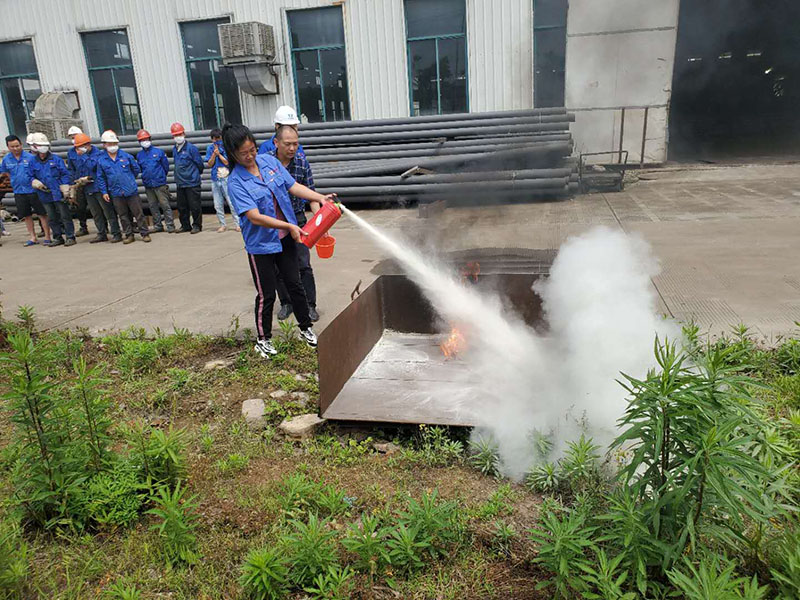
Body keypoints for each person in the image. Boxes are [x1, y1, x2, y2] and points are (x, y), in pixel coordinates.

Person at [223, 123, 335, 358]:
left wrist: (320, 198)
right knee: (267, 294)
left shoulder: (268, 162)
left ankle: (306, 329)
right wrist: (289, 225)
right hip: (261, 245)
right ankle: (264, 339)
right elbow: (254, 217)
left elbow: (293, 186)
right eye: (244, 153)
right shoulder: (235, 182)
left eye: (252, 149)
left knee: (295, 284)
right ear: (233, 154)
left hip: (285, 240)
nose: (250, 155)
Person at [269, 125, 321, 323]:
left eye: (296, 144)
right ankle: (286, 303)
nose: (292, 148)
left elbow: (311, 194)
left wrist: (320, 223)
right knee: (278, 265)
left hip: (297, 218)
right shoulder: (267, 163)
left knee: (303, 263)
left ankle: (310, 305)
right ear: (276, 143)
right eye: (288, 144)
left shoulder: (301, 161)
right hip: (275, 221)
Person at [95, 130, 151, 245]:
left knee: (138, 213)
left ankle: (145, 233)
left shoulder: (126, 156)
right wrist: (104, 192)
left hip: (130, 190)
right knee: (123, 215)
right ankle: (129, 235)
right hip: (116, 192)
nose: (112, 146)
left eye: (114, 144)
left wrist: (129, 180)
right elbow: (101, 178)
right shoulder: (101, 161)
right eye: (109, 144)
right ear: (104, 145)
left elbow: (136, 170)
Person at [0, 134, 51, 246]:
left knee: (41, 213)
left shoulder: (30, 157)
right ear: (8, 147)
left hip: (33, 190)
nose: (15, 148)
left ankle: (47, 236)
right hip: (19, 191)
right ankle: (33, 237)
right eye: (12, 146)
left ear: (21, 145)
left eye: (17, 146)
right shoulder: (7, 159)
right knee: (26, 215)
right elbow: (5, 172)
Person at [72, 133, 123, 244]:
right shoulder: (80, 156)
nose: (78, 149)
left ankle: (116, 233)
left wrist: (84, 156)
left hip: (99, 188)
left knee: (108, 212)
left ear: (87, 145)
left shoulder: (98, 154)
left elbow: (93, 166)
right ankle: (102, 233)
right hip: (88, 188)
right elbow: (78, 170)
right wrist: (79, 180)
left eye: (79, 146)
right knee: (96, 213)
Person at [29, 132, 74, 247]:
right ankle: (58, 237)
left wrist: (65, 186)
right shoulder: (33, 162)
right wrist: (34, 181)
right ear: (35, 147)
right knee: (52, 217)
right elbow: (29, 175)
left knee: (65, 215)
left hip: (58, 192)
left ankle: (70, 237)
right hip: (44, 193)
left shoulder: (56, 159)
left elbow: (65, 173)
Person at [136, 129, 175, 233]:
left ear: (150, 139)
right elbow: (140, 168)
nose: (145, 141)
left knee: (165, 205)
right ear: (139, 142)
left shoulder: (159, 152)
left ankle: (170, 225)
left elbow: (165, 167)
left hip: (160, 184)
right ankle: (158, 225)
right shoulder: (139, 155)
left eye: (146, 139)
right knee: (153, 206)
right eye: (142, 140)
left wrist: (161, 177)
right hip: (148, 185)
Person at [170, 122, 203, 234]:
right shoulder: (175, 149)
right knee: (182, 207)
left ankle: (197, 225)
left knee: (195, 206)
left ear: (184, 134)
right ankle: (185, 225)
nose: (178, 137)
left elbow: (200, 165)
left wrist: (193, 176)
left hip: (192, 183)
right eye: (175, 135)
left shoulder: (191, 149)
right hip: (180, 183)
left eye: (179, 134)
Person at [205, 128, 239, 233]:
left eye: (218, 138)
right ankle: (222, 224)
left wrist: (219, 154)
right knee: (217, 204)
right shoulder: (210, 148)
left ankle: (238, 224)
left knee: (231, 202)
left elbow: (227, 163)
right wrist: (214, 155)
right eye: (214, 139)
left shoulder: (227, 148)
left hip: (226, 177)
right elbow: (209, 164)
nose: (216, 140)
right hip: (215, 179)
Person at [65, 125, 90, 237]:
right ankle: (83, 227)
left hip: (90, 182)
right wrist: (71, 184)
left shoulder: (89, 150)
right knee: (80, 207)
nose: (74, 139)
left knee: (97, 207)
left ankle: (104, 227)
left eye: (75, 136)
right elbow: (70, 169)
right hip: (78, 183)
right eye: (72, 137)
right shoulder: (71, 153)